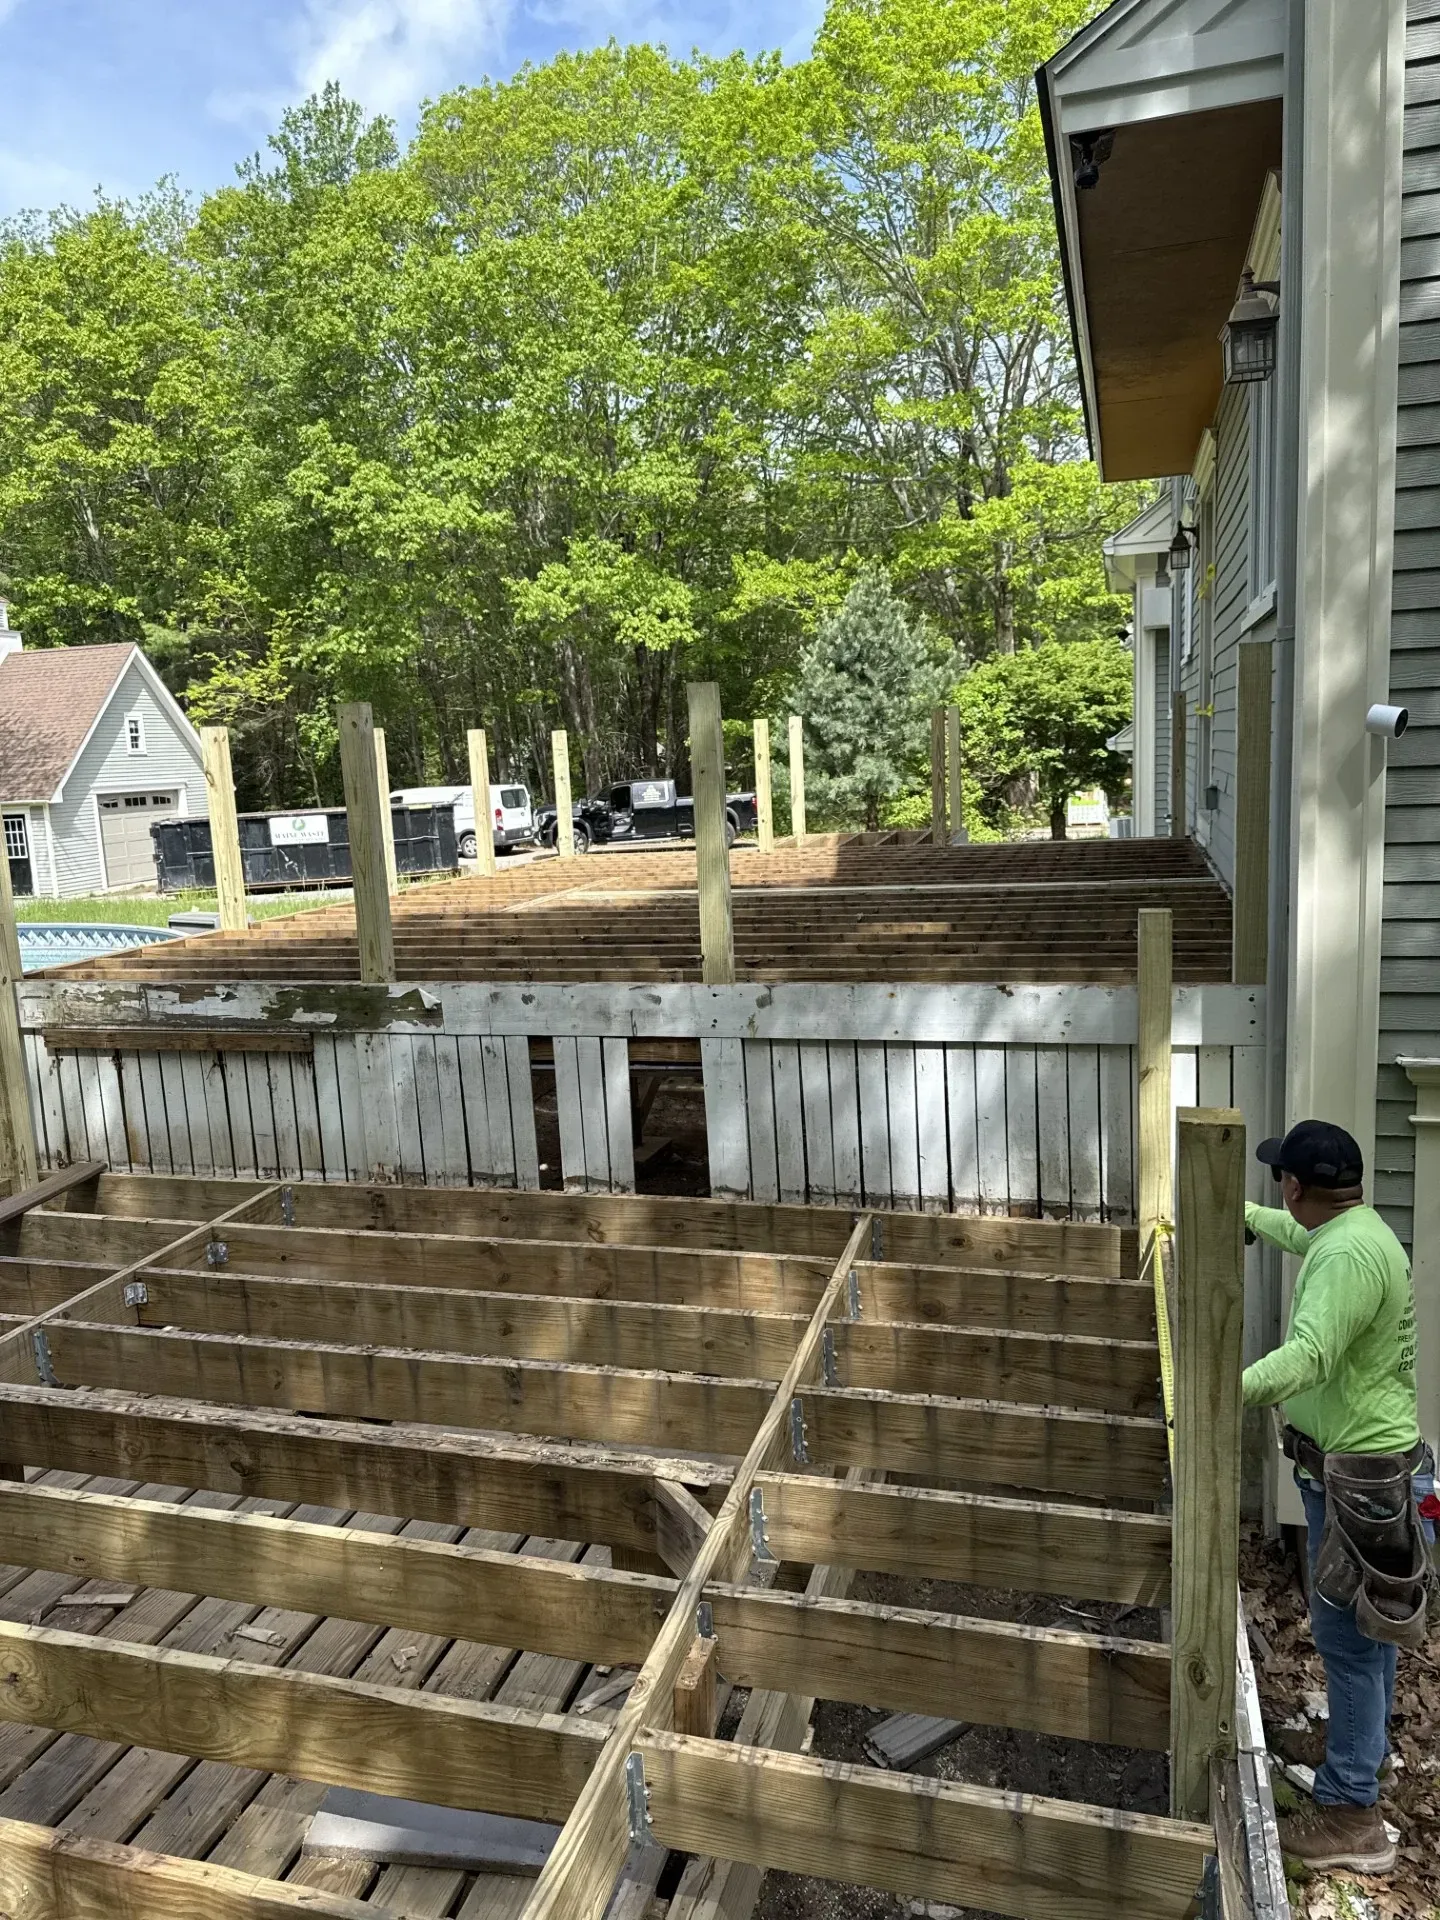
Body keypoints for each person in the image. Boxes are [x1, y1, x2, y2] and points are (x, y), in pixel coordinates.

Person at [1242, 1118, 1433, 1876]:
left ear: (1296, 1186)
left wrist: (1218, 1390)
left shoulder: (1348, 1254)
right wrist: (1246, 1218)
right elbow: (1304, 1242)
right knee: (1366, 1631)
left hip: (1360, 1478)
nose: (1276, 1191)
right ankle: (1359, 1753)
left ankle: (1354, 1813)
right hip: (1362, 1471)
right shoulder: (1351, 1230)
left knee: (1350, 1641)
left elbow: (1311, 1356)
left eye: (1275, 1184)